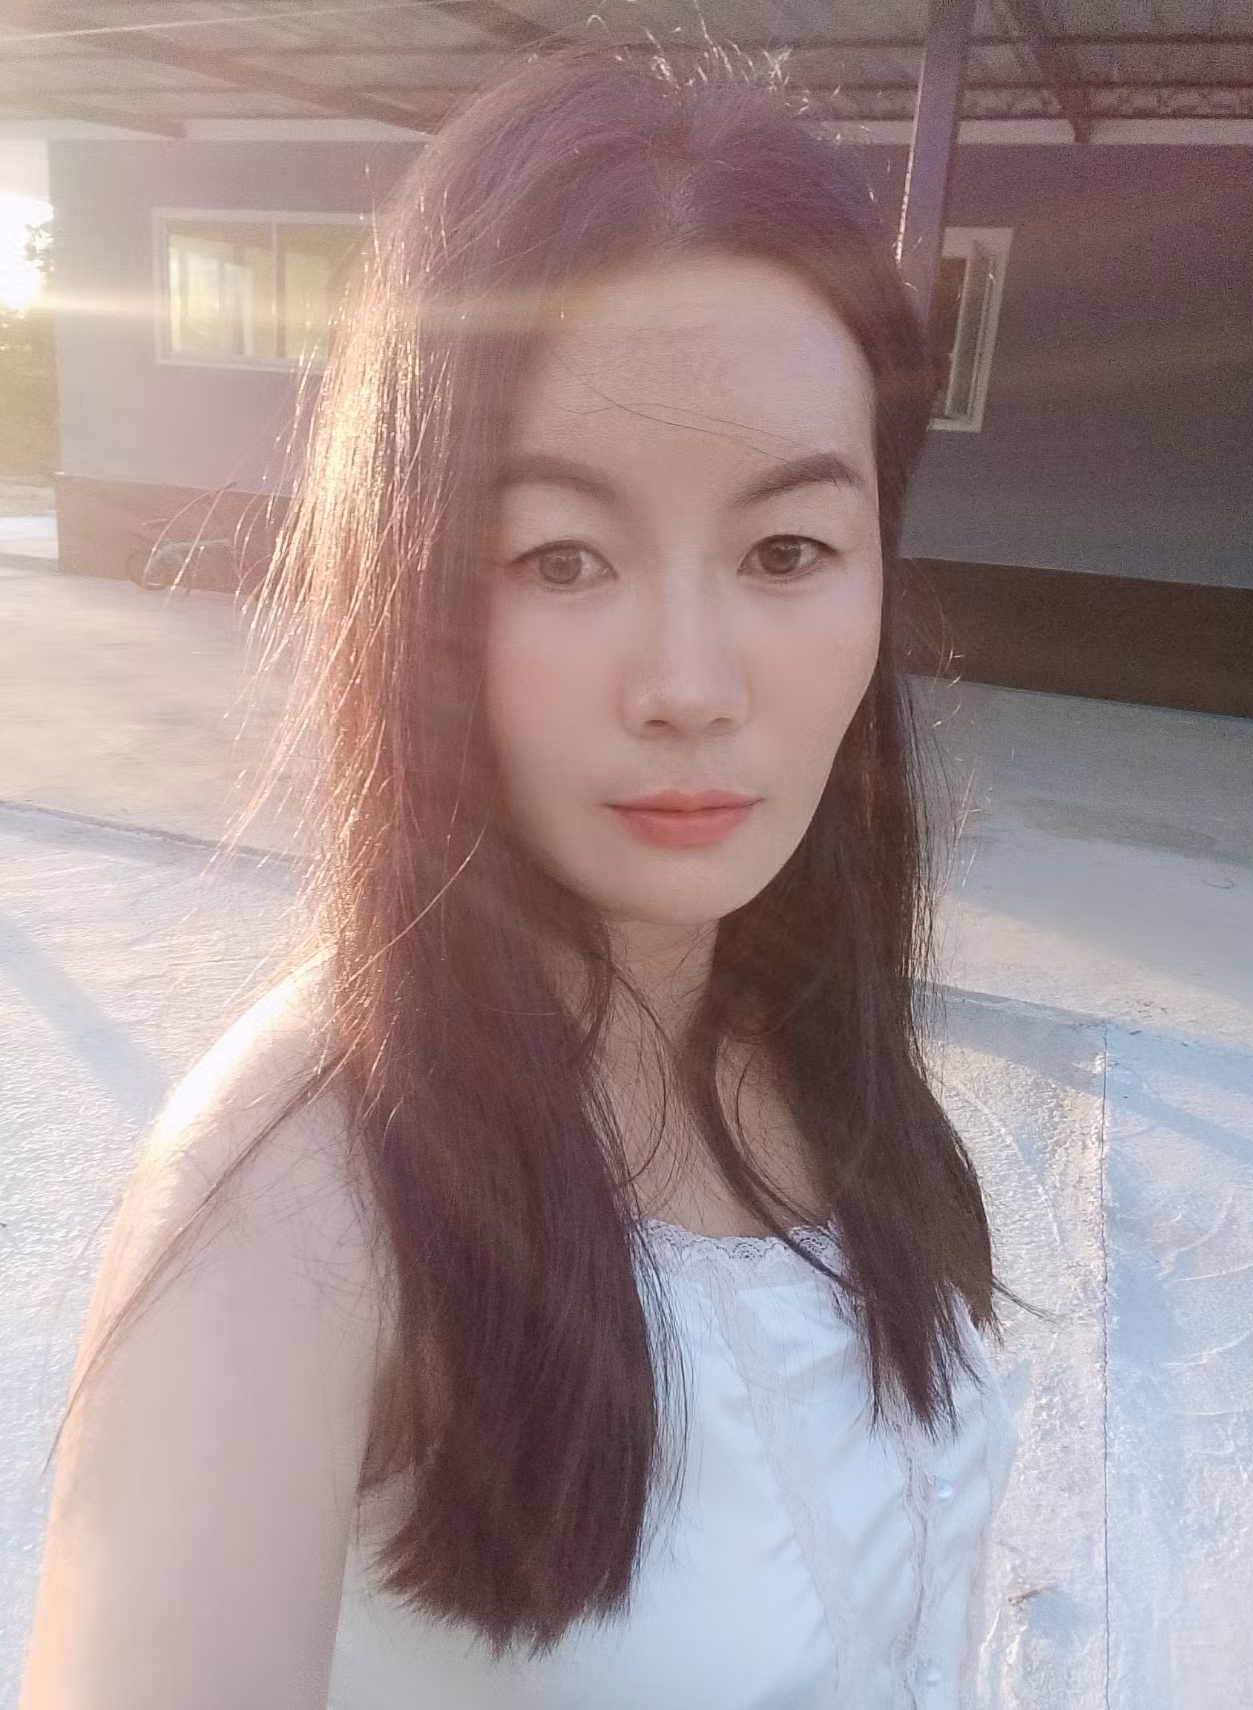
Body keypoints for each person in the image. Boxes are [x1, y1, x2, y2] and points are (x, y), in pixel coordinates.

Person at [20, 46, 1046, 1710]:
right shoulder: (294, 1197)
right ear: (415, 586)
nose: (691, 683)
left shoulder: (815, 1049)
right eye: (563, 557)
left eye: (785, 549)